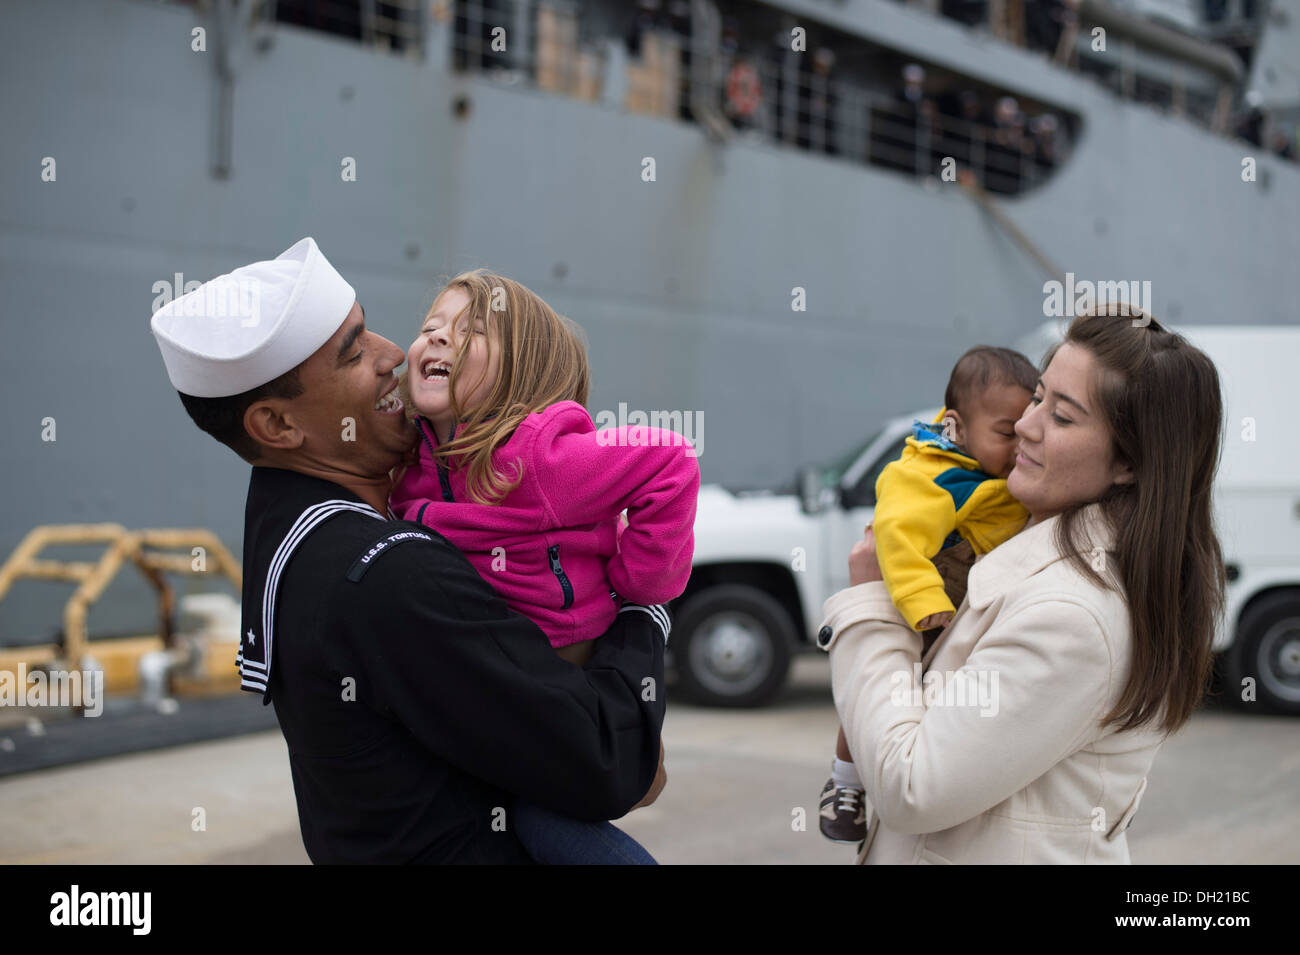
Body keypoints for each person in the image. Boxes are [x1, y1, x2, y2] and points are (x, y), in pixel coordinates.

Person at [150, 237, 667, 864]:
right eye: (353, 353)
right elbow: (612, 765)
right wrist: (642, 612)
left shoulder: (284, 522)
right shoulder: (391, 572)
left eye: (368, 331)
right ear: (278, 427)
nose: (393, 353)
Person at [818, 305, 1225, 863]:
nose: (1025, 426)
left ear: (1129, 463)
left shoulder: (1072, 615)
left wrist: (872, 607)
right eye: (1038, 397)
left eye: (1062, 417)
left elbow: (912, 788)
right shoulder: (1021, 542)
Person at [389, 269, 699, 862]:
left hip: (566, 666)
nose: (437, 339)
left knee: (549, 816)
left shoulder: (541, 459)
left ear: (520, 372)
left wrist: (638, 585)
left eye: (469, 332)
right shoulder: (408, 462)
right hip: (485, 672)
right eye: (430, 328)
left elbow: (672, 461)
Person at [819, 346, 1037, 843]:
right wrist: (923, 603)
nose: (1019, 445)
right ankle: (845, 782)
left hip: (961, 600)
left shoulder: (987, 472)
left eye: (1025, 431)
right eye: (1007, 433)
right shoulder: (929, 473)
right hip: (920, 592)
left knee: (923, 703)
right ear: (957, 427)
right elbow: (895, 534)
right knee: (877, 691)